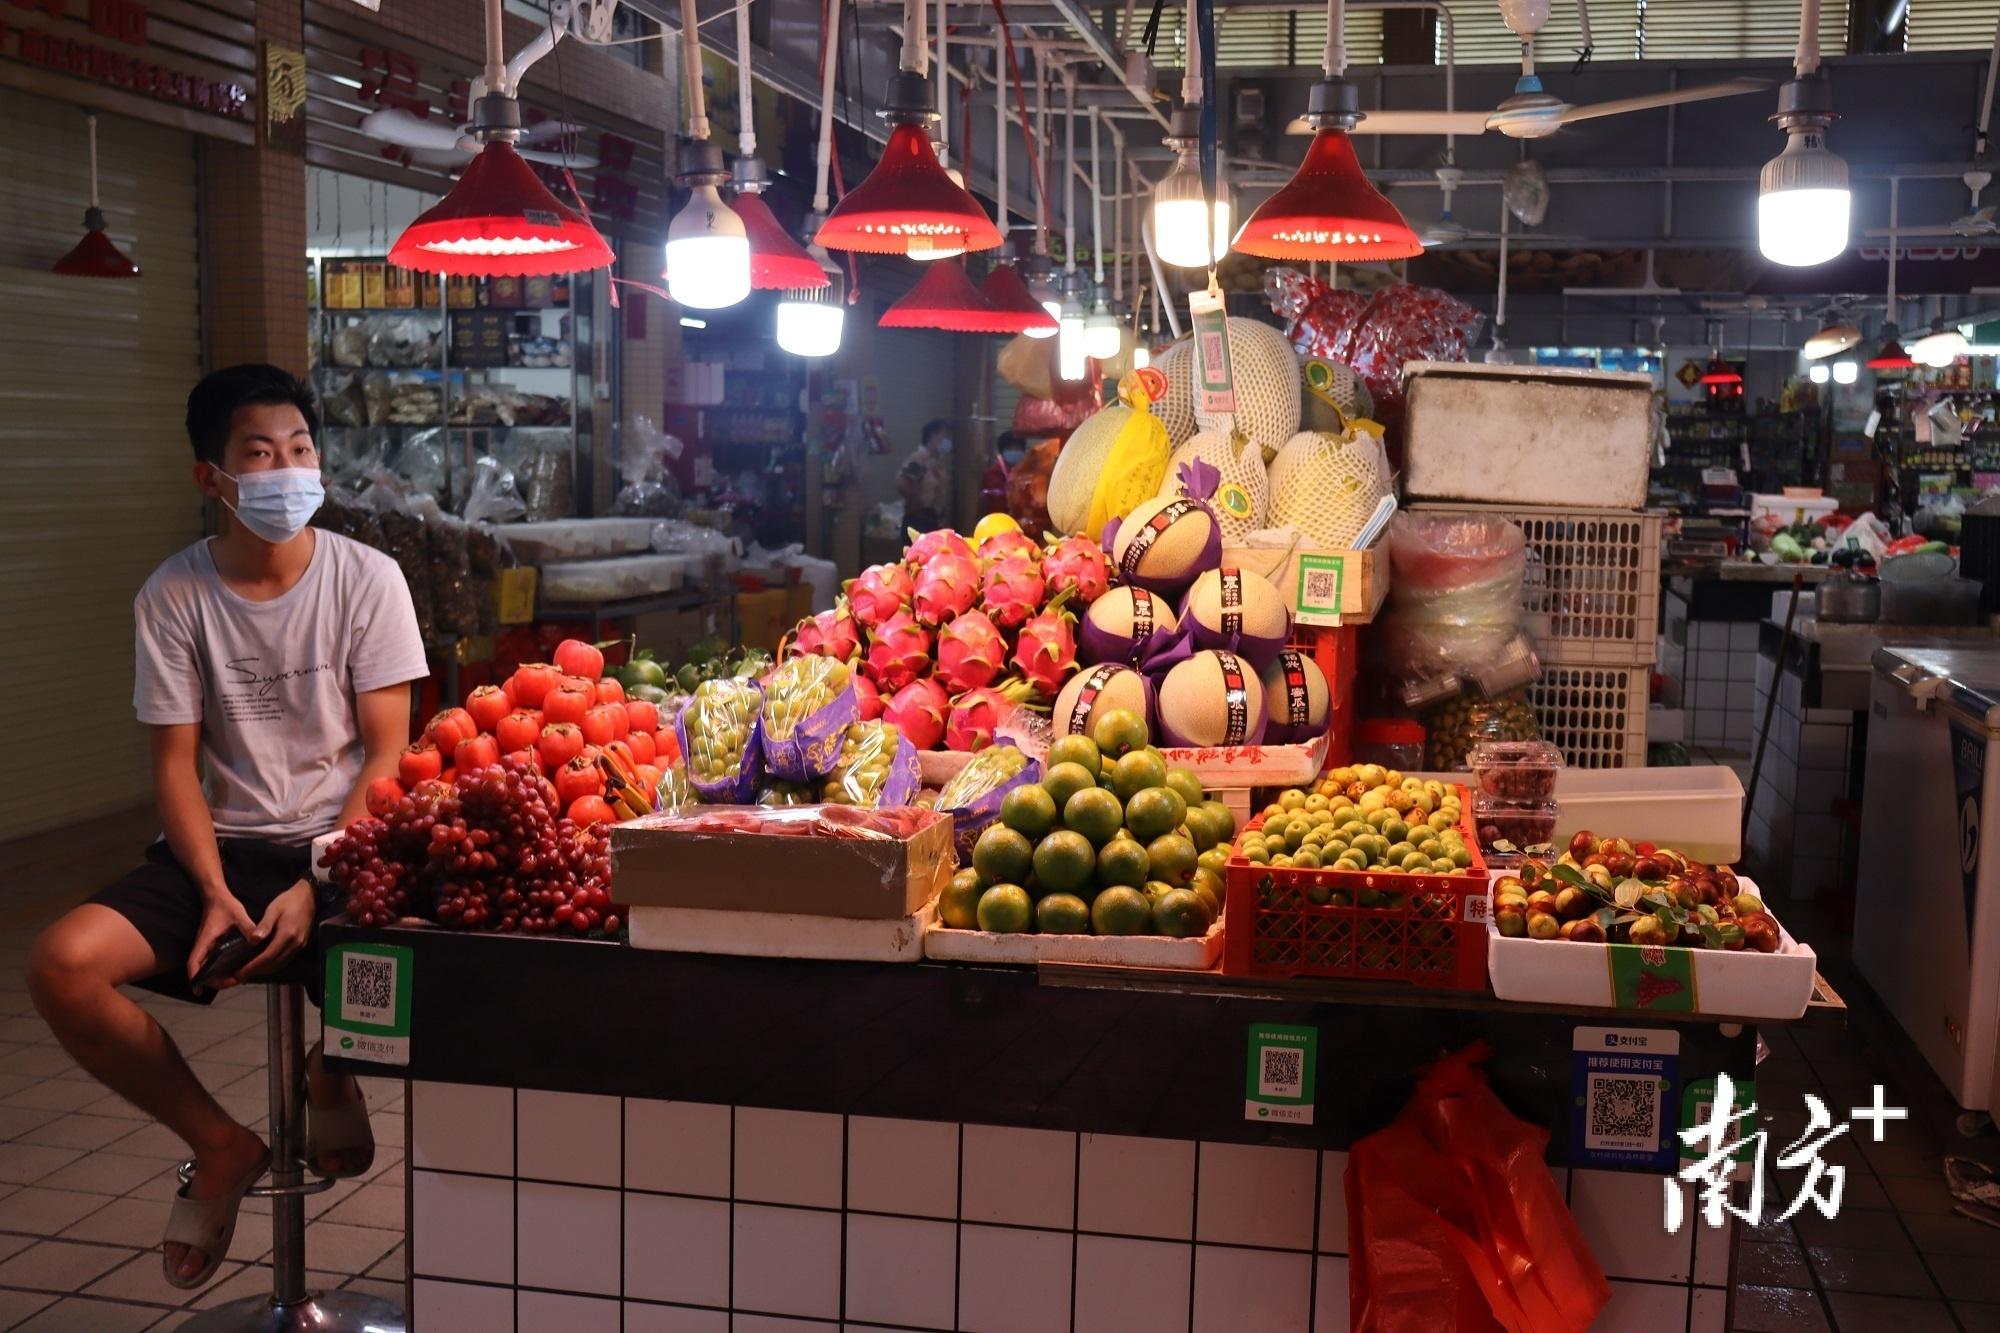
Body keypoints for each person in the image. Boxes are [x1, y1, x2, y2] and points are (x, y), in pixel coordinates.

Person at [24, 365, 428, 1290]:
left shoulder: (370, 580)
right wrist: (210, 888)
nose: (287, 470)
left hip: (348, 842)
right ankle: (219, 1143)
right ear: (211, 477)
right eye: (260, 453)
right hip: (225, 847)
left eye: (301, 449)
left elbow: (386, 759)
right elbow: (174, 764)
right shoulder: (173, 595)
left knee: (437, 974)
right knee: (62, 965)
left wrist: (319, 878)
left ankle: (332, 1065)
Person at [898, 418, 953, 532]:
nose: (948, 441)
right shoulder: (919, 459)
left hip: (933, 521)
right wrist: (917, 502)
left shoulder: (937, 462)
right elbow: (901, 484)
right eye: (945, 436)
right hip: (918, 521)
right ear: (933, 436)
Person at [980, 431, 1026, 515]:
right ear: (1002, 452)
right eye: (1010, 449)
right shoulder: (992, 475)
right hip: (996, 523)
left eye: (1018, 449)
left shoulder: (1027, 476)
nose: (1015, 452)